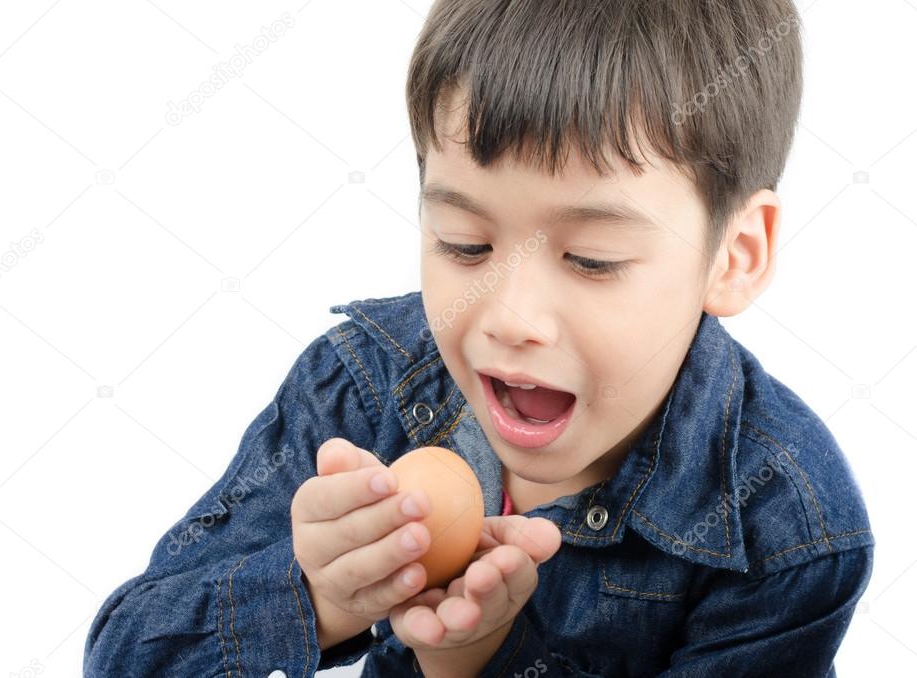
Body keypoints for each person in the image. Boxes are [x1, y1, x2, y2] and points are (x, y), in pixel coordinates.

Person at [83, 1, 874, 675]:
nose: (510, 317)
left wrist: (476, 661)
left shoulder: (787, 526)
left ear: (734, 257)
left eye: (591, 259)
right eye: (465, 242)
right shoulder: (362, 388)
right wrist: (315, 596)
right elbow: (124, 652)